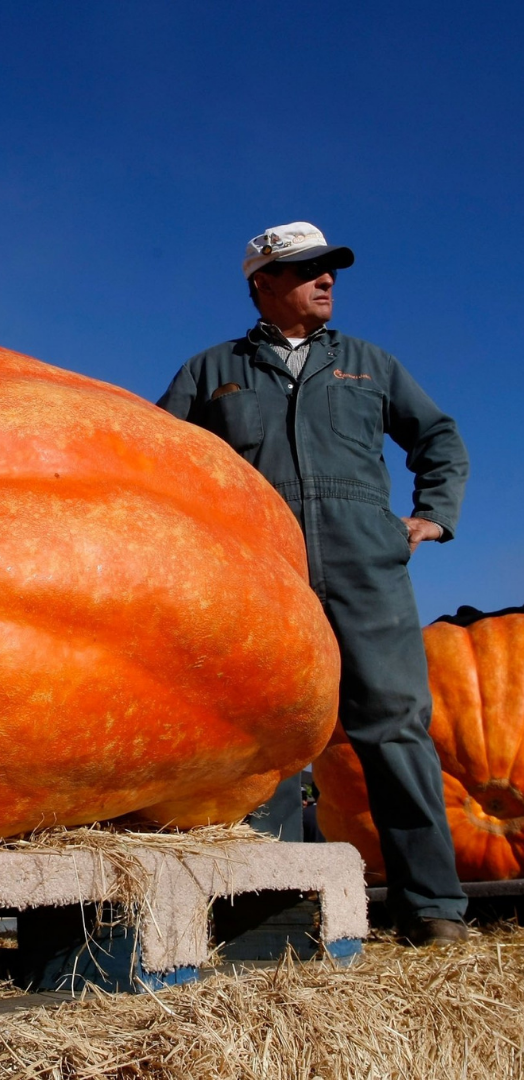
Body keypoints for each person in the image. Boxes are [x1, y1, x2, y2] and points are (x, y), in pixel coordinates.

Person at [158, 222, 470, 946]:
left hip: (366, 566)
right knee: (266, 734)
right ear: (263, 285)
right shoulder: (212, 371)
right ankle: (258, 908)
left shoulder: (369, 364)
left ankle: (433, 908)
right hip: (264, 572)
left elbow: (439, 437)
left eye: (331, 268)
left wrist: (433, 518)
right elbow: (161, 457)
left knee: (394, 727)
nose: (327, 280)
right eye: (307, 270)